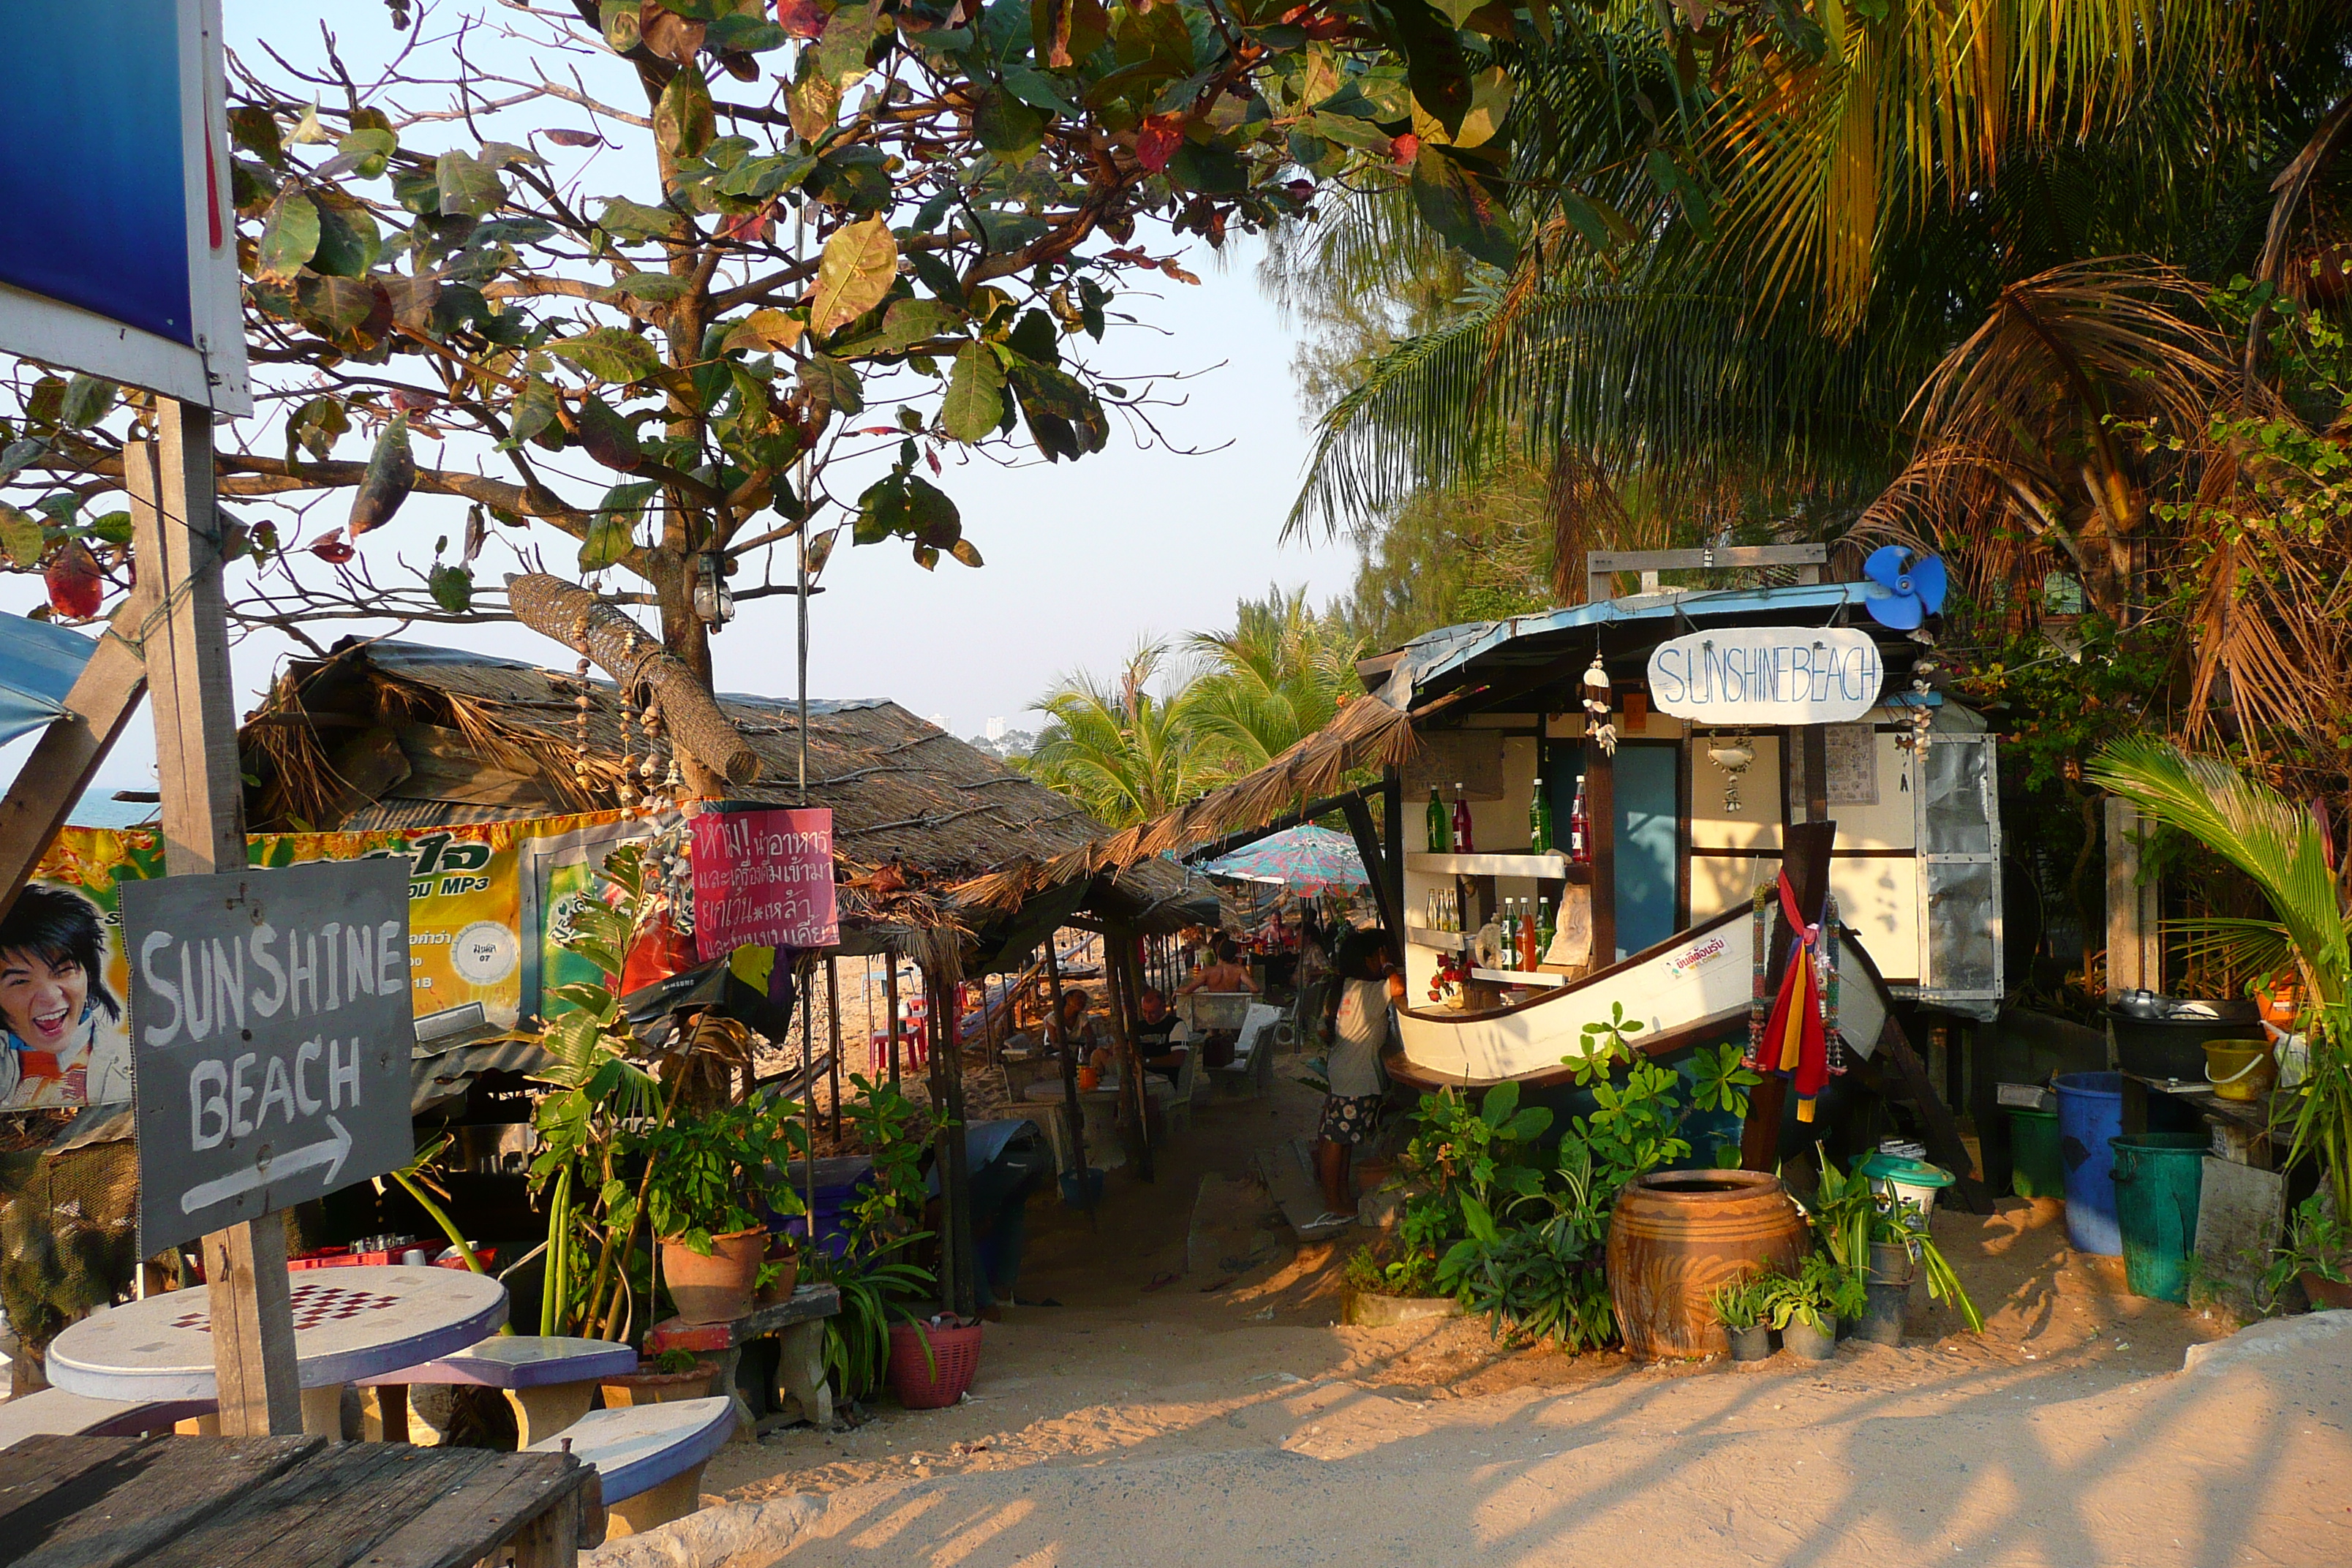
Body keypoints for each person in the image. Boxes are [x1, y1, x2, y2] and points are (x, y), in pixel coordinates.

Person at [0, 886, 129, 1109]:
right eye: (20, 981)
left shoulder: (132, 1062)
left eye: (64, 971)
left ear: (88, 974)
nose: (50, 997)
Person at [1314, 928, 1401, 1226]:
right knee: (1338, 1140)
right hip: (1355, 1077)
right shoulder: (1367, 992)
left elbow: (1323, 1030)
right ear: (1370, 959)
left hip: (1342, 1069)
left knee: (1338, 1138)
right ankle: (1334, 1201)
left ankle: (1338, 1196)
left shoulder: (1342, 988)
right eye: (1379, 955)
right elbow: (1398, 987)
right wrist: (1388, 965)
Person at [1129, 987, 1190, 1084]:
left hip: (1163, 1078)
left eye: (1152, 1013)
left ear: (1163, 1007)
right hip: (1138, 1073)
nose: (1147, 1016)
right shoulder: (1139, 1026)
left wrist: (1147, 1061)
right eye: (1144, 1011)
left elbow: (1178, 1059)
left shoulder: (1176, 1025)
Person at [1177, 938, 1258, 996]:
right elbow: (1255, 989)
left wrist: (1177, 990)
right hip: (1234, 1010)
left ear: (1218, 953)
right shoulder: (1239, 970)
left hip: (1212, 1011)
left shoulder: (1207, 971)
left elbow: (1187, 990)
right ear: (1234, 957)